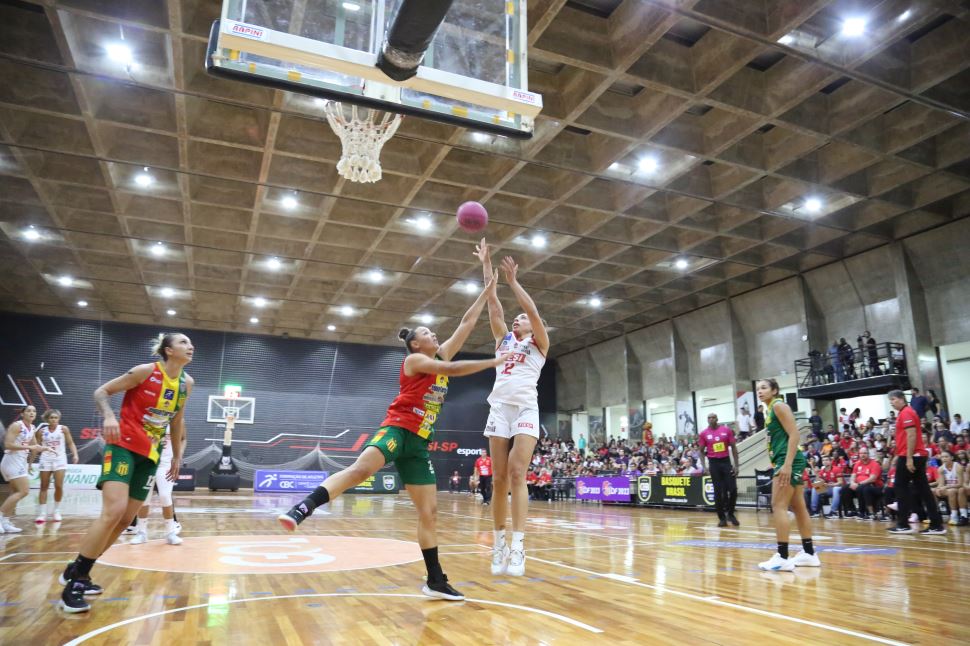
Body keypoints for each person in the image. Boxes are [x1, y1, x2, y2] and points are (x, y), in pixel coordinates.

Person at [277, 276, 507, 601]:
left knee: (430, 513)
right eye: (427, 333)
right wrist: (495, 362)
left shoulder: (438, 357)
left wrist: (487, 289)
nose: (434, 334)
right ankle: (304, 508)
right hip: (398, 429)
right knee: (360, 470)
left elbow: (467, 322)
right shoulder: (415, 361)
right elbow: (454, 370)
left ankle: (436, 580)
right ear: (416, 344)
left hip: (419, 443)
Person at [58, 332, 194, 613]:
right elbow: (101, 392)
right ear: (168, 350)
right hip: (123, 446)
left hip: (151, 455)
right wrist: (109, 416)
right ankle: (74, 584)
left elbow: (177, 419)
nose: (190, 346)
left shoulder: (186, 383)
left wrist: (178, 456)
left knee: (126, 520)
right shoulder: (145, 372)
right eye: (183, 342)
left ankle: (80, 568)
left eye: (190, 343)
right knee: (113, 512)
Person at [476, 243, 550, 578]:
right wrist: (487, 265)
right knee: (499, 478)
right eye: (516, 317)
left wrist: (514, 281)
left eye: (522, 319)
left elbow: (532, 311)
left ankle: (519, 546)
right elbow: (493, 306)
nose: (518, 318)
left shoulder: (539, 343)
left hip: (526, 408)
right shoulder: (504, 340)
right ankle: (499, 542)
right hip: (499, 408)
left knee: (519, 473)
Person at [756, 379, 820, 571]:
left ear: (775, 390)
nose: (760, 391)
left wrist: (787, 464)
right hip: (785, 459)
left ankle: (782, 557)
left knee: (778, 505)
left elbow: (795, 434)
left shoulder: (779, 406)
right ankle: (809, 553)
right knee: (799, 506)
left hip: (789, 461)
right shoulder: (771, 409)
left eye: (764, 388)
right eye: (758, 388)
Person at [886, 390, 945, 535]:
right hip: (914, 455)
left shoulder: (906, 413)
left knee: (900, 486)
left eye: (893, 400)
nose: (891, 403)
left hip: (911, 455)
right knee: (924, 490)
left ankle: (903, 524)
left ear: (901, 399)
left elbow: (911, 436)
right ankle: (936, 525)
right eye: (890, 401)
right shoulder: (906, 412)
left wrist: (909, 457)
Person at [129, 428, 185, 545]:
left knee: (165, 496)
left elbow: (183, 439)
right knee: (145, 498)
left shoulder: (176, 417)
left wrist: (178, 456)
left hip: (166, 464)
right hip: (147, 462)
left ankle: (170, 533)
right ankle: (141, 533)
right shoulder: (149, 417)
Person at [1, 406, 51, 533]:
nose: (32, 413)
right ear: (23, 414)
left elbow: (35, 446)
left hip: (20, 462)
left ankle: (5, 522)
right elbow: (8, 444)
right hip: (11, 460)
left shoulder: (32, 428)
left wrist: (44, 449)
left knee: (15, 493)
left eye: (34, 411)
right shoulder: (16, 426)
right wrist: (30, 447)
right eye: (28, 411)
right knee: (24, 491)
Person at [35, 409, 79, 523]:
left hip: (60, 459)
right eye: (51, 418)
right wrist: (30, 461)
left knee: (58, 486)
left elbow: (70, 443)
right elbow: (36, 446)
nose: (53, 419)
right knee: (44, 486)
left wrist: (75, 454)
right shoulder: (41, 431)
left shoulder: (63, 429)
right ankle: (42, 514)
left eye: (55, 418)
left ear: (58, 419)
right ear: (47, 419)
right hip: (45, 459)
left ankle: (56, 511)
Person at [698, 413, 739, 527]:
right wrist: (704, 466)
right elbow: (701, 451)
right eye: (709, 417)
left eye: (713, 417)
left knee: (733, 489)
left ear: (717, 419)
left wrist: (736, 465)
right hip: (713, 463)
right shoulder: (704, 433)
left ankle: (730, 514)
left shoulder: (726, 430)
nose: (711, 419)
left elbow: (734, 448)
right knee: (718, 492)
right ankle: (722, 518)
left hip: (726, 462)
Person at [843, 447, 884, 521]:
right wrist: (852, 483)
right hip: (860, 485)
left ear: (868, 454)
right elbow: (853, 476)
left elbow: (873, 478)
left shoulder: (874, 464)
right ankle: (852, 510)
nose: (863, 455)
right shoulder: (857, 464)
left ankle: (862, 512)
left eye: (865, 453)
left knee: (861, 488)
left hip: (873, 486)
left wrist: (859, 483)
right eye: (861, 453)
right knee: (845, 488)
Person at [936, 451, 967, 526]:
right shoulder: (941, 469)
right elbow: (941, 483)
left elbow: (960, 484)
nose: (944, 459)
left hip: (958, 487)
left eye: (946, 457)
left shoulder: (958, 467)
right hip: (949, 488)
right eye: (942, 457)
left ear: (952, 458)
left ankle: (955, 516)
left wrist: (946, 487)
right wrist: (939, 488)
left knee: (952, 491)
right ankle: (936, 514)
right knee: (933, 491)